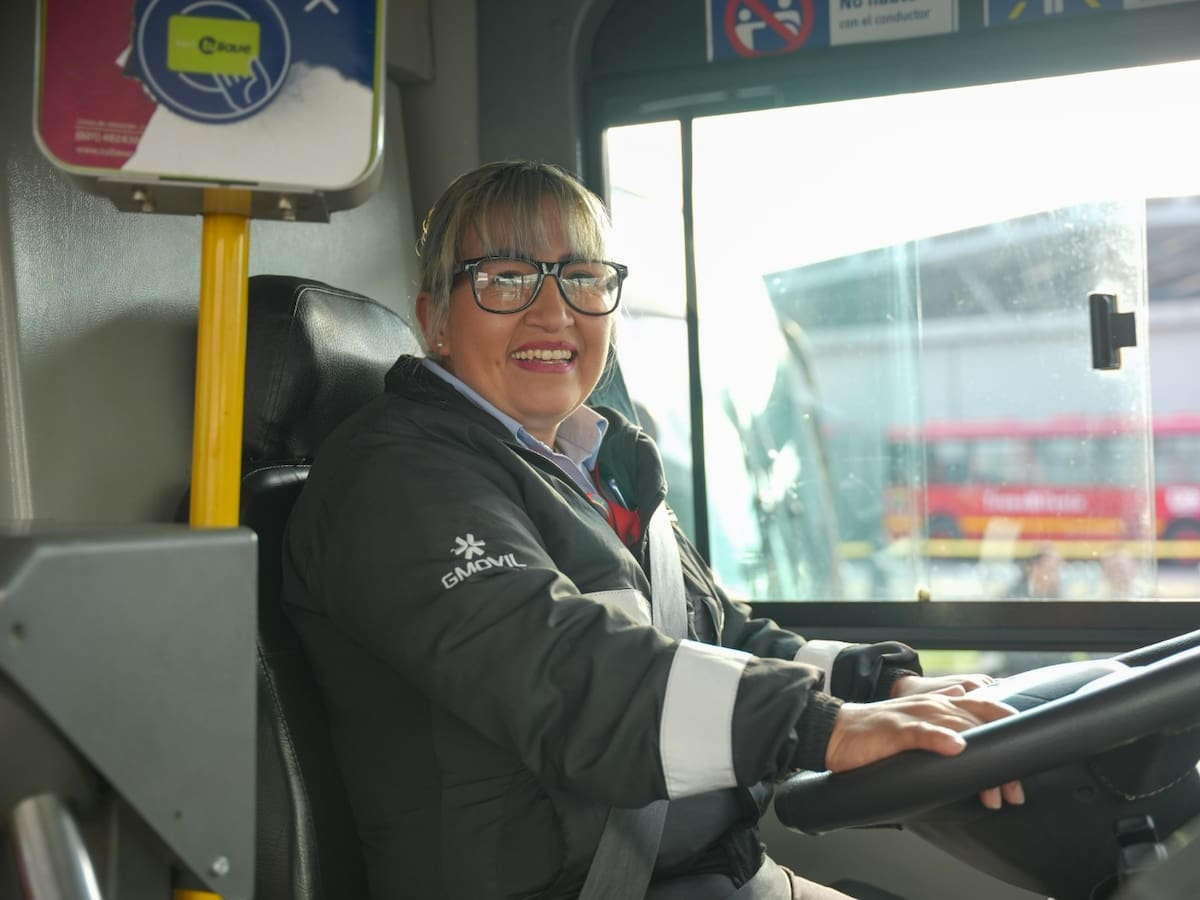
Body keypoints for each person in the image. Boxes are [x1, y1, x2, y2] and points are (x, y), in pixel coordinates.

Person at [281, 159, 1021, 900]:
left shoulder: (599, 461)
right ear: (436, 318)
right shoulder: (395, 478)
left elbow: (718, 635)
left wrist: (879, 685)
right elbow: (567, 676)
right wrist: (824, 727)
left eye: (583, 277)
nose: (552, 312)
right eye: (506, 277)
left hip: (710, 874)